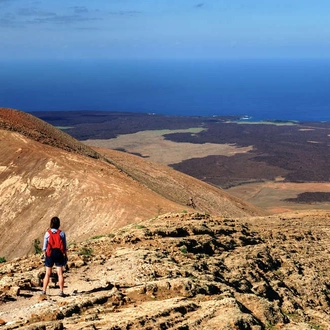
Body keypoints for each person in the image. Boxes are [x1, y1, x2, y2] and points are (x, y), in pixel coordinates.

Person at [42, 216, 67, 297]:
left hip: (50, 254)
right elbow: (64, 246)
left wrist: (44, 255)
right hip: (59, 253)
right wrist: (65, 255)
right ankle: (61, 291)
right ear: (58, 224)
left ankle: (44, 291)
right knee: (60, 273)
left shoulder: (47, 233)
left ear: (51, 223)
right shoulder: (62, 233)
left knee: (47, 273)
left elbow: (44, 247)